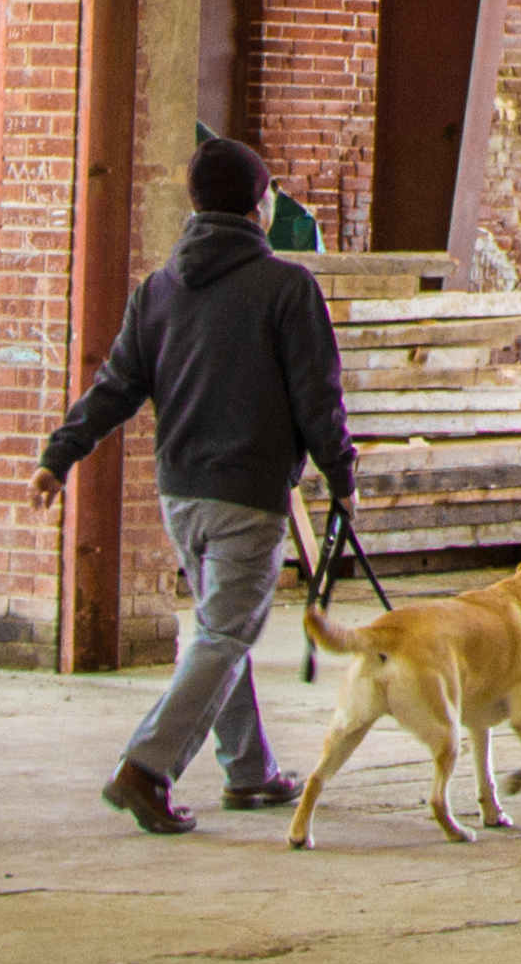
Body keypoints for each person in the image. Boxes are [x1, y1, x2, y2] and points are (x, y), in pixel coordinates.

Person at [34, 137, 354, 835]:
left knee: (219, 628)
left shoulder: (158, 288)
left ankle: (247, 770)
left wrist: (61, 454)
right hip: (247, 493)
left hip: (180, 493)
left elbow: (116, 385)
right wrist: (342, 472)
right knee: (223, 633)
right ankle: (146, 767)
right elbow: (317, 396)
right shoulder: (287, 287)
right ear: (259, 203)